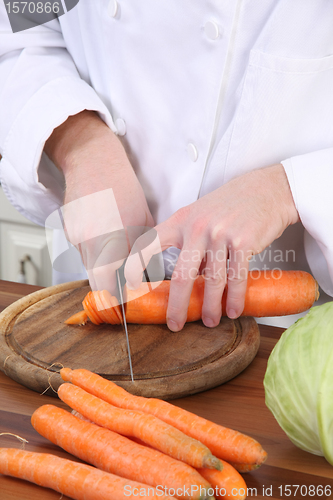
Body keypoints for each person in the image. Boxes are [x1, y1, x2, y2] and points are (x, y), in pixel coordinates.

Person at [1, 1, 333, 331]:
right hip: (101, 284)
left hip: (286, 320)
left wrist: (287, 190)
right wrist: (81, 145)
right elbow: (19, 25)